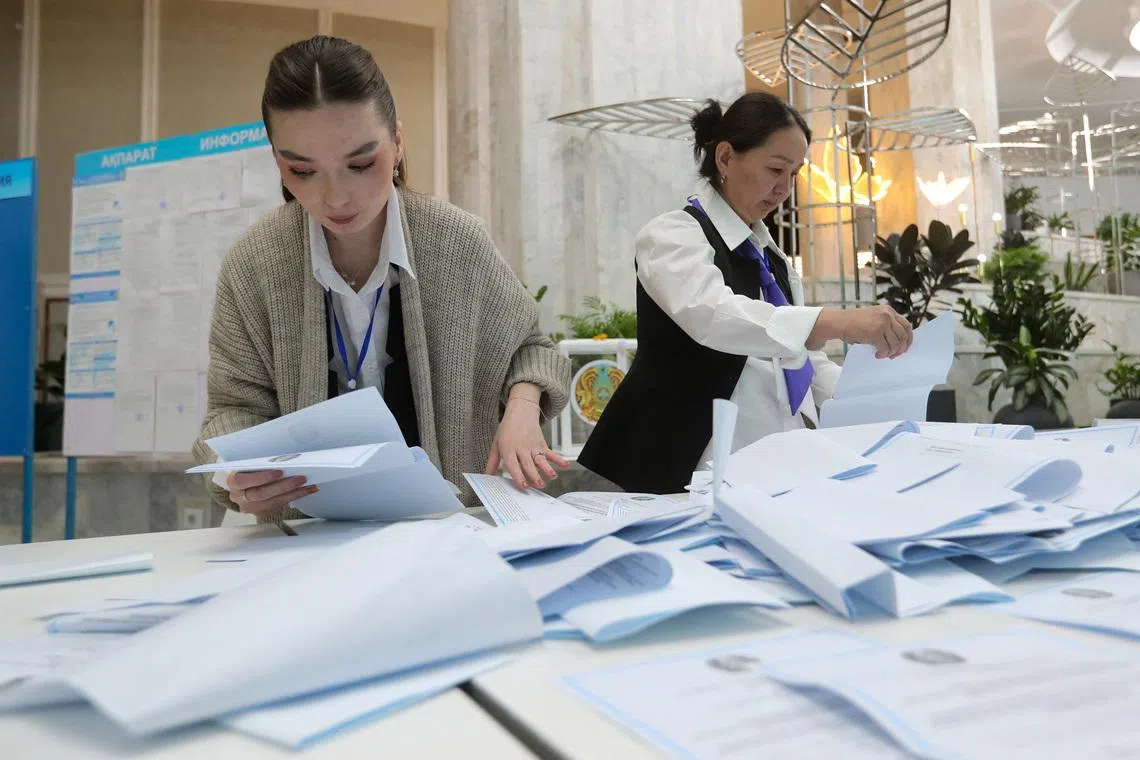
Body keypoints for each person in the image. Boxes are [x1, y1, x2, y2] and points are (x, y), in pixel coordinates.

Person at [193, 35, 571, 519]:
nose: (335, 197)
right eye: (302, 170)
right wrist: (235, 477)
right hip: (303, 544)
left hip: (445, 532)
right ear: (277, 162)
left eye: (360, 164)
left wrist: (522, 407)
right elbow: (230, 412)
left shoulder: (456, 241)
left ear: (397, 142)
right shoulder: (254, 264)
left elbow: (531, 349)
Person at [578, 93, 914, 495]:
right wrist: (837, 321)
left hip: (763, 465)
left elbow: (801, 361)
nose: (784, 190)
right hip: (670, 464)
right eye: (776, 169)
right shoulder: (672, 235)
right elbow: (713, 314)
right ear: (725, 158)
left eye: (794, 175)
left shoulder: (775, 262)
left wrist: (878, 398)